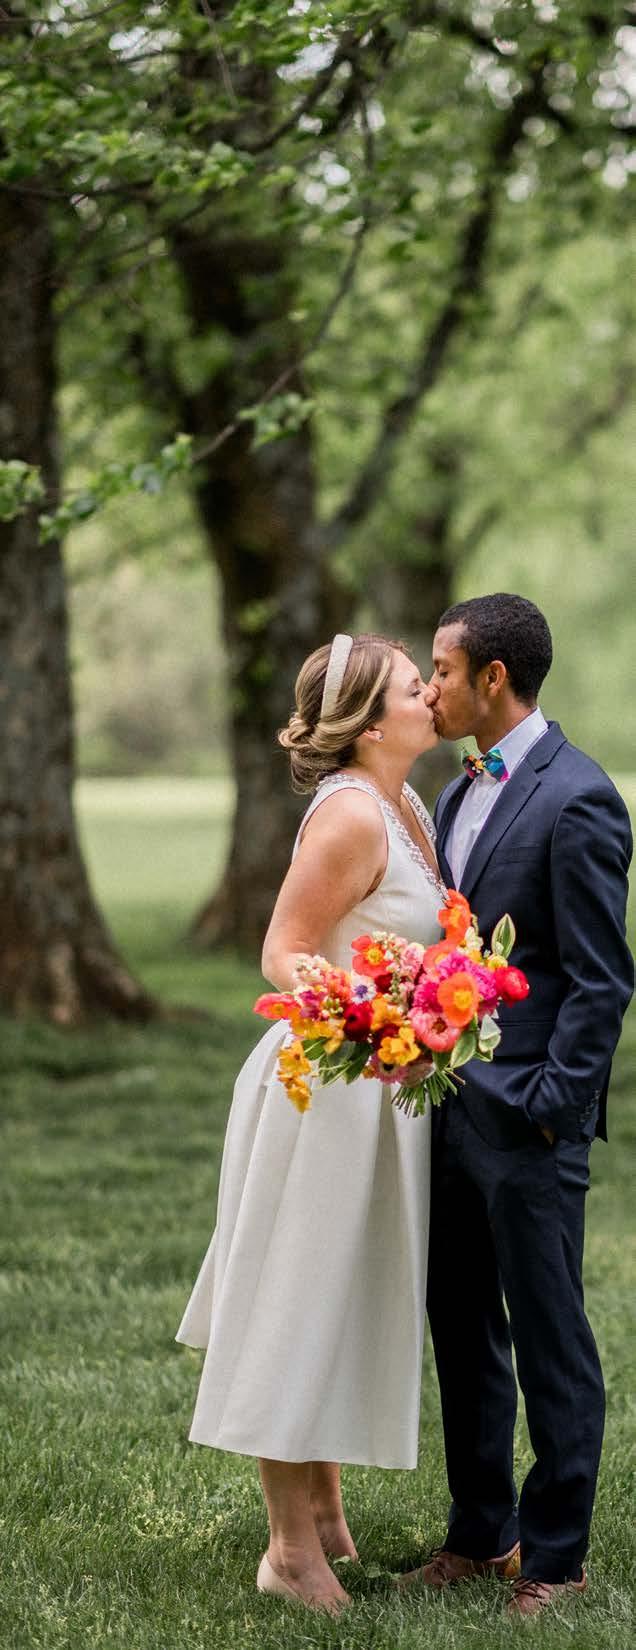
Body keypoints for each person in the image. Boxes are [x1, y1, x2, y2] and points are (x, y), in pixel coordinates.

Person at [176, 632, 447, 1614]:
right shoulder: (350, 816)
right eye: (415, 687)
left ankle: (327, 1518)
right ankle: (288, 1551)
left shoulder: (406, 806)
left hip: (373, 1096)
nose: (432, 694)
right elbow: (284, 952)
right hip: (320, 1091)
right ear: (371, 725)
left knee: (336, 1296)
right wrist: (373, 1024)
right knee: (296, 1303)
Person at [406, 592, 633, 1619]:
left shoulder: (579, 797)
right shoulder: (458, 792)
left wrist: (552, 1104)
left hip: (531, 1118)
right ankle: (481, 1532)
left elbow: (600, 978)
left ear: (493, 678)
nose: (430, 688)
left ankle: (556, 1556)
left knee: (549, 1341)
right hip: (450, 1110)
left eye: (443, 671)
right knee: (462, 1327)